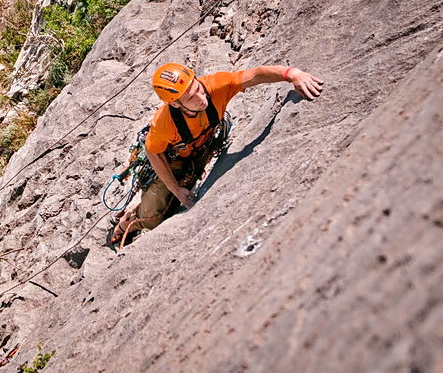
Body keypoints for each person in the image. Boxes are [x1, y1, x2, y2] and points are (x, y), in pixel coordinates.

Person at [110, 62, 323, 246]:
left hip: (203, 146)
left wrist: (292, 74)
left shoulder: (214, 86)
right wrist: (174, 189)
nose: (201, 97)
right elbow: (153, 153)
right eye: (192, 97)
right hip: (172, 160)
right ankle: (127, 222)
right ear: (175, 104)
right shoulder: (164, 124)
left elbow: (255, 75)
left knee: (187, 189)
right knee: (154, 216)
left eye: (198, 88)